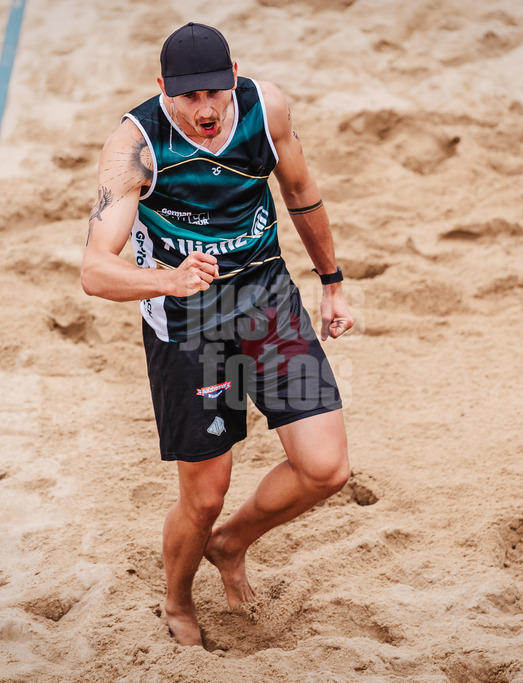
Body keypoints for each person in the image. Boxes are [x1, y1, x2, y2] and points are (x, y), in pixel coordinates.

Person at [80, 22, 354, 647]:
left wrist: (332, 280)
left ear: (233, 77)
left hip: (266, 299)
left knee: (326, 469)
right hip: (188, 323)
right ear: (163, 89)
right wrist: (169, 281)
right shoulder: (135, 146)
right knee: (204, 498)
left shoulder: (265, 107)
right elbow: (94, 270)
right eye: (188, 97)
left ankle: (231, 544)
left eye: (215, 92)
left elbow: (300, 189)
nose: (205, 110)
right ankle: (178, 602)